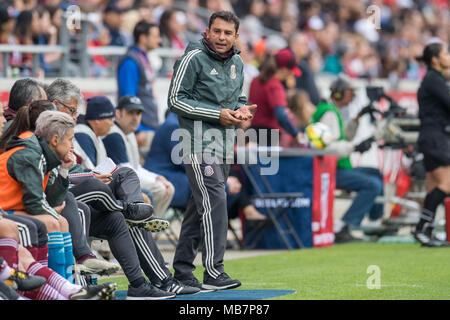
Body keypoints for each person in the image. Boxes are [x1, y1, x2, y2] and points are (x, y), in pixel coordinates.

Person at [168, 10, 257, 291]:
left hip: (223, 144)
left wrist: (240, 109)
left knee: (199, 208)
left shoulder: (238, 63)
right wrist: (218, 114)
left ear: (236, 37)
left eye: (227, 33)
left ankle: (182, 270)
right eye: (217, 31)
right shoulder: (193, 57)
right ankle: (214, 271)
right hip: (195, 143)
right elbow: (174, 99)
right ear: (207, 32)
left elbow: (237, 97)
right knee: (215, 199)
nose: (221, 37)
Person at [311, 77, 384, 243]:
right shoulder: (329, 113)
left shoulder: (332, 110)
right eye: (350, 93)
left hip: (338, 166)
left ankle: (375, 220)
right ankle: (346, 225)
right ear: (338, 94)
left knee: (375, 173)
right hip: (331, 169)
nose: (352, 97)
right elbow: (327, 146)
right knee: (372, 184)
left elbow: (343, 136)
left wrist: (357, 118)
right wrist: (355, 148)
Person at [102, 95, 175, 218]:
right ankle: (146, 228)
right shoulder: (114, 134)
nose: (135, 118)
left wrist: (157, 177)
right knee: (160, 189)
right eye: (131, 113)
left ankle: (152, 232)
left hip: (127, 179)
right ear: (118, 114)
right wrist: (155, 180)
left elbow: (136, 167)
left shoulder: (129, 134)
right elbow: (126, 172)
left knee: (168, 187)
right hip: (114, 183)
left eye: (138, 113)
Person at [412, 41, 450, 247]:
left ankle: (425, 229)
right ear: (435, 60)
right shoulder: (434, 80)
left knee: (434, 186)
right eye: (446, 53)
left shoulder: (433, 79)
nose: (449, 57)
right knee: (446, 184)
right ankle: (421, 227)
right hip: (435, 138)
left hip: (431, 137)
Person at [117, 20, 162, 157]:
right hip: (141, 130)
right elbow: (128, 97)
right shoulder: (130, 61)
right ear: (143, 38)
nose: (159, 40)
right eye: (155, 36)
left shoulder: (142, 57)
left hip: (149, 125)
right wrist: (136, 130)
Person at [248, 48, 304, 147]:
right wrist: (295, 133)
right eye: (290, 71)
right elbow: (281, 115)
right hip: (268, 136)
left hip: (252, 131)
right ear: (284, 69)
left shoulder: (256, 80)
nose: (291, 74)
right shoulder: (275, 86)